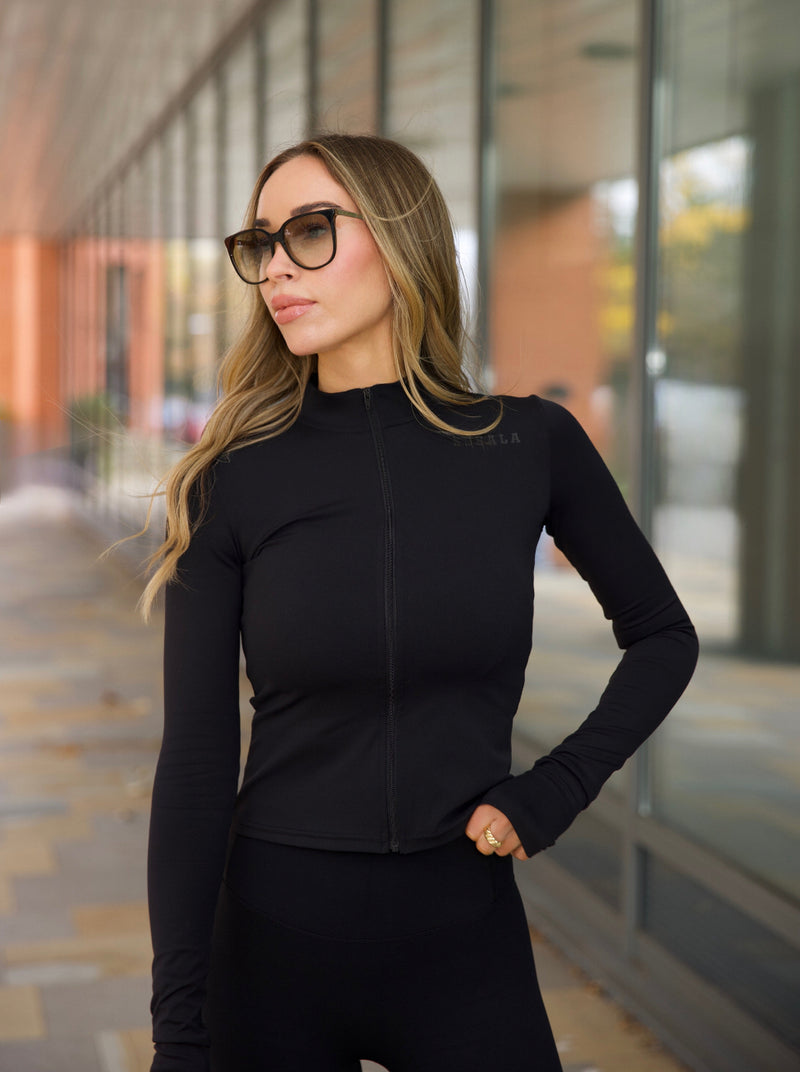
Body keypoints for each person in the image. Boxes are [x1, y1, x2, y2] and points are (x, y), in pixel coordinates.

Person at [143, 132, 698, 1072]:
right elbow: (196, 766)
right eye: (261, 244)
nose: (276, 267)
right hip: (272, 951)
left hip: (464, 945)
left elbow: (662, 637)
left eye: (310, 231)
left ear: (402, 242)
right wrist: (179, 1032)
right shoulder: (230, 480)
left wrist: (555, 789)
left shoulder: (529, 445)